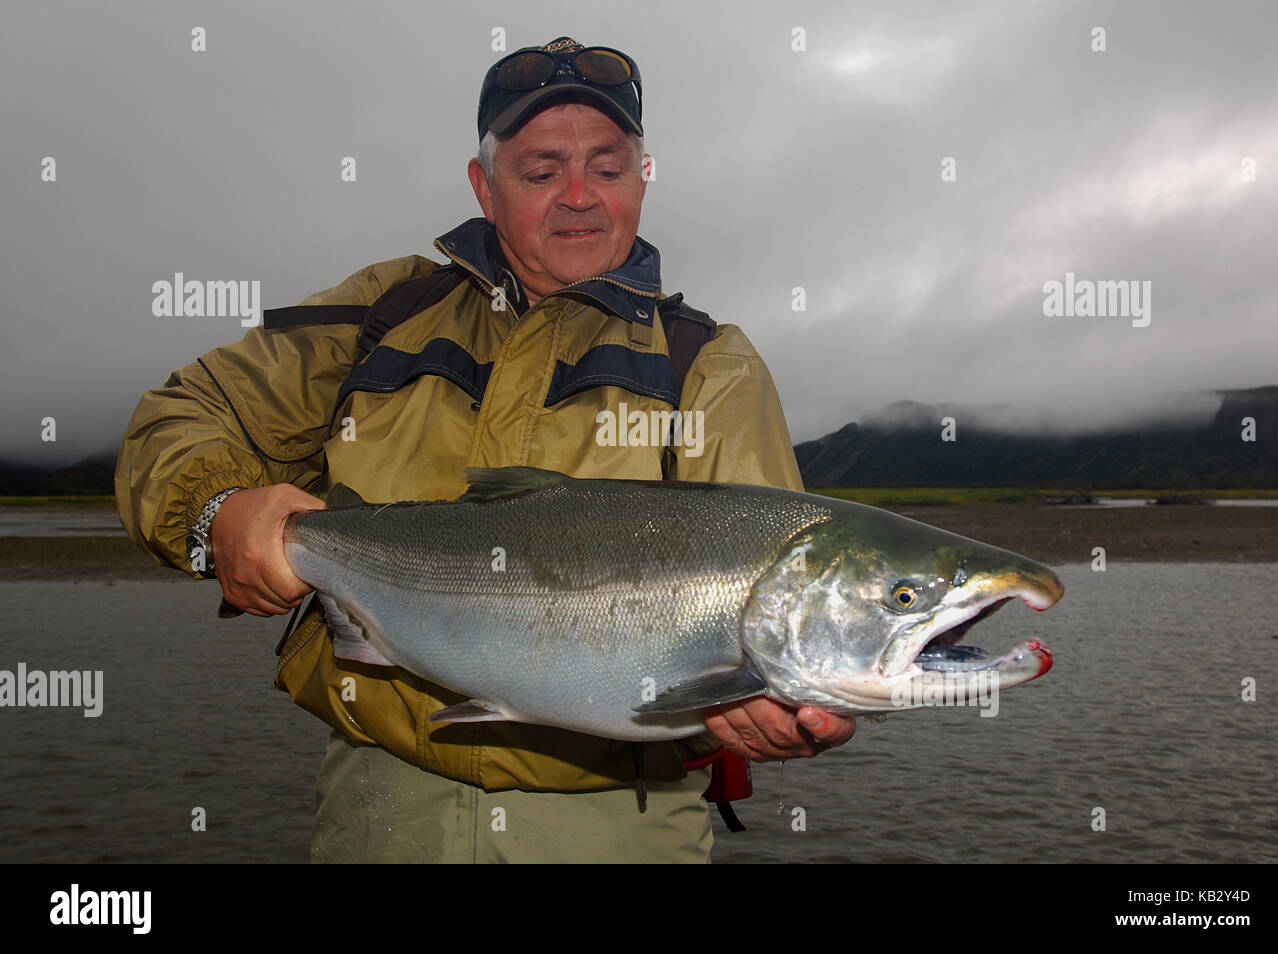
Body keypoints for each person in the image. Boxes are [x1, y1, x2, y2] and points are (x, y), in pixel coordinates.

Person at [115, 36, 854, 863]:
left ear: (644, 178)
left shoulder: (709, 365)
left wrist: (790, 697)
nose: (579, 198)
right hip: (377, 811)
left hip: (617, 829)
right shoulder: (381, 313)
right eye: (542, 172)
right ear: (484, 185)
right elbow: (178, 416)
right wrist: (220, 513)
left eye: (608, 170)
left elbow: (780, 587)